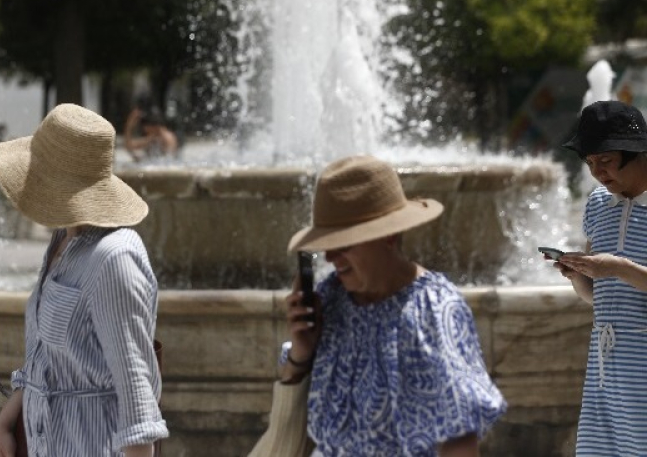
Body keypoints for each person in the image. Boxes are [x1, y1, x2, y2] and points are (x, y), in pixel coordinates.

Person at [253, 155, 506, 457]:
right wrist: (301, 353)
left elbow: (458, 439)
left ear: (388, 235)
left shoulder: (432, 310)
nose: (331, 258)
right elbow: (296, 397)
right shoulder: (331, 296)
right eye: (326, 245)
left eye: (344, 243)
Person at [0, 103, 168, 457]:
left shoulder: (113, 258)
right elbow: (51, 354)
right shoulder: (62, 242)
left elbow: (139, 402)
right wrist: (13, 410)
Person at [553, 100, 647, 455]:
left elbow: (618, 273)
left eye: (605, 161)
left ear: (636, 152)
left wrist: (617, 267)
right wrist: (578, 275)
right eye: (590, 163)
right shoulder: (596, 205)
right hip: (605, 368)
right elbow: (601, 297)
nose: (597, 172)